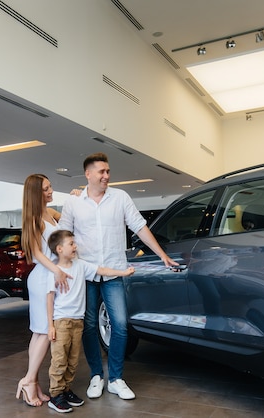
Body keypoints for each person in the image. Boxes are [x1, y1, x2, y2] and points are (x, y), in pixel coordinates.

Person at [59, 152, 178, 400]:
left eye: (108, 171)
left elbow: (140, 226)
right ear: (88, 174)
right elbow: (62, 235)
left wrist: (162, 255)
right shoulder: (73, 203)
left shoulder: (120, 197)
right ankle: (95, 376)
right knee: (90, 327)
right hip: (86, 274)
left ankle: (115, 378)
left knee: (121, 325)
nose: (106, 176)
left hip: (114, 271)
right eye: (101, 172)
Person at [45, 229, 135, 413]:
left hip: (78, 321)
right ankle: (55, 395)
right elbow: (49, 298)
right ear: (60, 249)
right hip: (61, 321)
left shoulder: (80, 265)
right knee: (59, 359)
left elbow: (101, 270)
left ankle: (66, 390)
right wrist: (50, 325)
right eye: (71, 244)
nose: (75, 246)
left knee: (72, 360)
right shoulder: (55, 272)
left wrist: (122, 272)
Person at [16, 174, 71, 407]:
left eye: (50, 187)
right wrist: (56, 270)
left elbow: (67, 217)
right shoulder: (34, 218)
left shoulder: (49, 213)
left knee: (39, 333)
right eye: (46, 189)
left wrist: (76, 198)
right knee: (44, 333)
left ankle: (33, 381)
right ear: (36, 193)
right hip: (43, 278)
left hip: (50, 277)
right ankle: (28, 380)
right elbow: (37, 254)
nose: (51, 192)